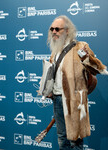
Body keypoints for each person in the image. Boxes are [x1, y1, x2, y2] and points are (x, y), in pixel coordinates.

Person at [46, 15, 108, 150]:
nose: (54, 32)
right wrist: (49, 90)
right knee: (62, 137)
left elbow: (96, 69)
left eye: (57, 29)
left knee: (75, 141)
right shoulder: (55, 51)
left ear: (67, 30)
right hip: (57, 99)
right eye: (52, 29)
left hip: (75, 100)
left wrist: (86, 58)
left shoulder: (81, 46)